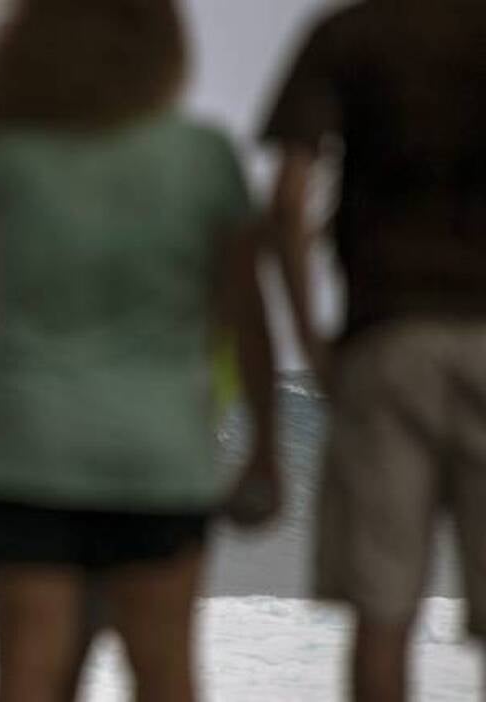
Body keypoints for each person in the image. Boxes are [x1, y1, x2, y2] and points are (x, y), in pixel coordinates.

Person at [0, 2, 277, 700]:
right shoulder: (203, 155)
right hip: (158, 453)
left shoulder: (12, 150)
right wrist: (267, 448)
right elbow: (248, 315)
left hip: (30, 450)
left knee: (30, 677)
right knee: (165, 673)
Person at [261, 2, 486, 700]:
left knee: (383, 617)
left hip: (386, 338)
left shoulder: (347, 33)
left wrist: (310, 338)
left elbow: (290, 199)